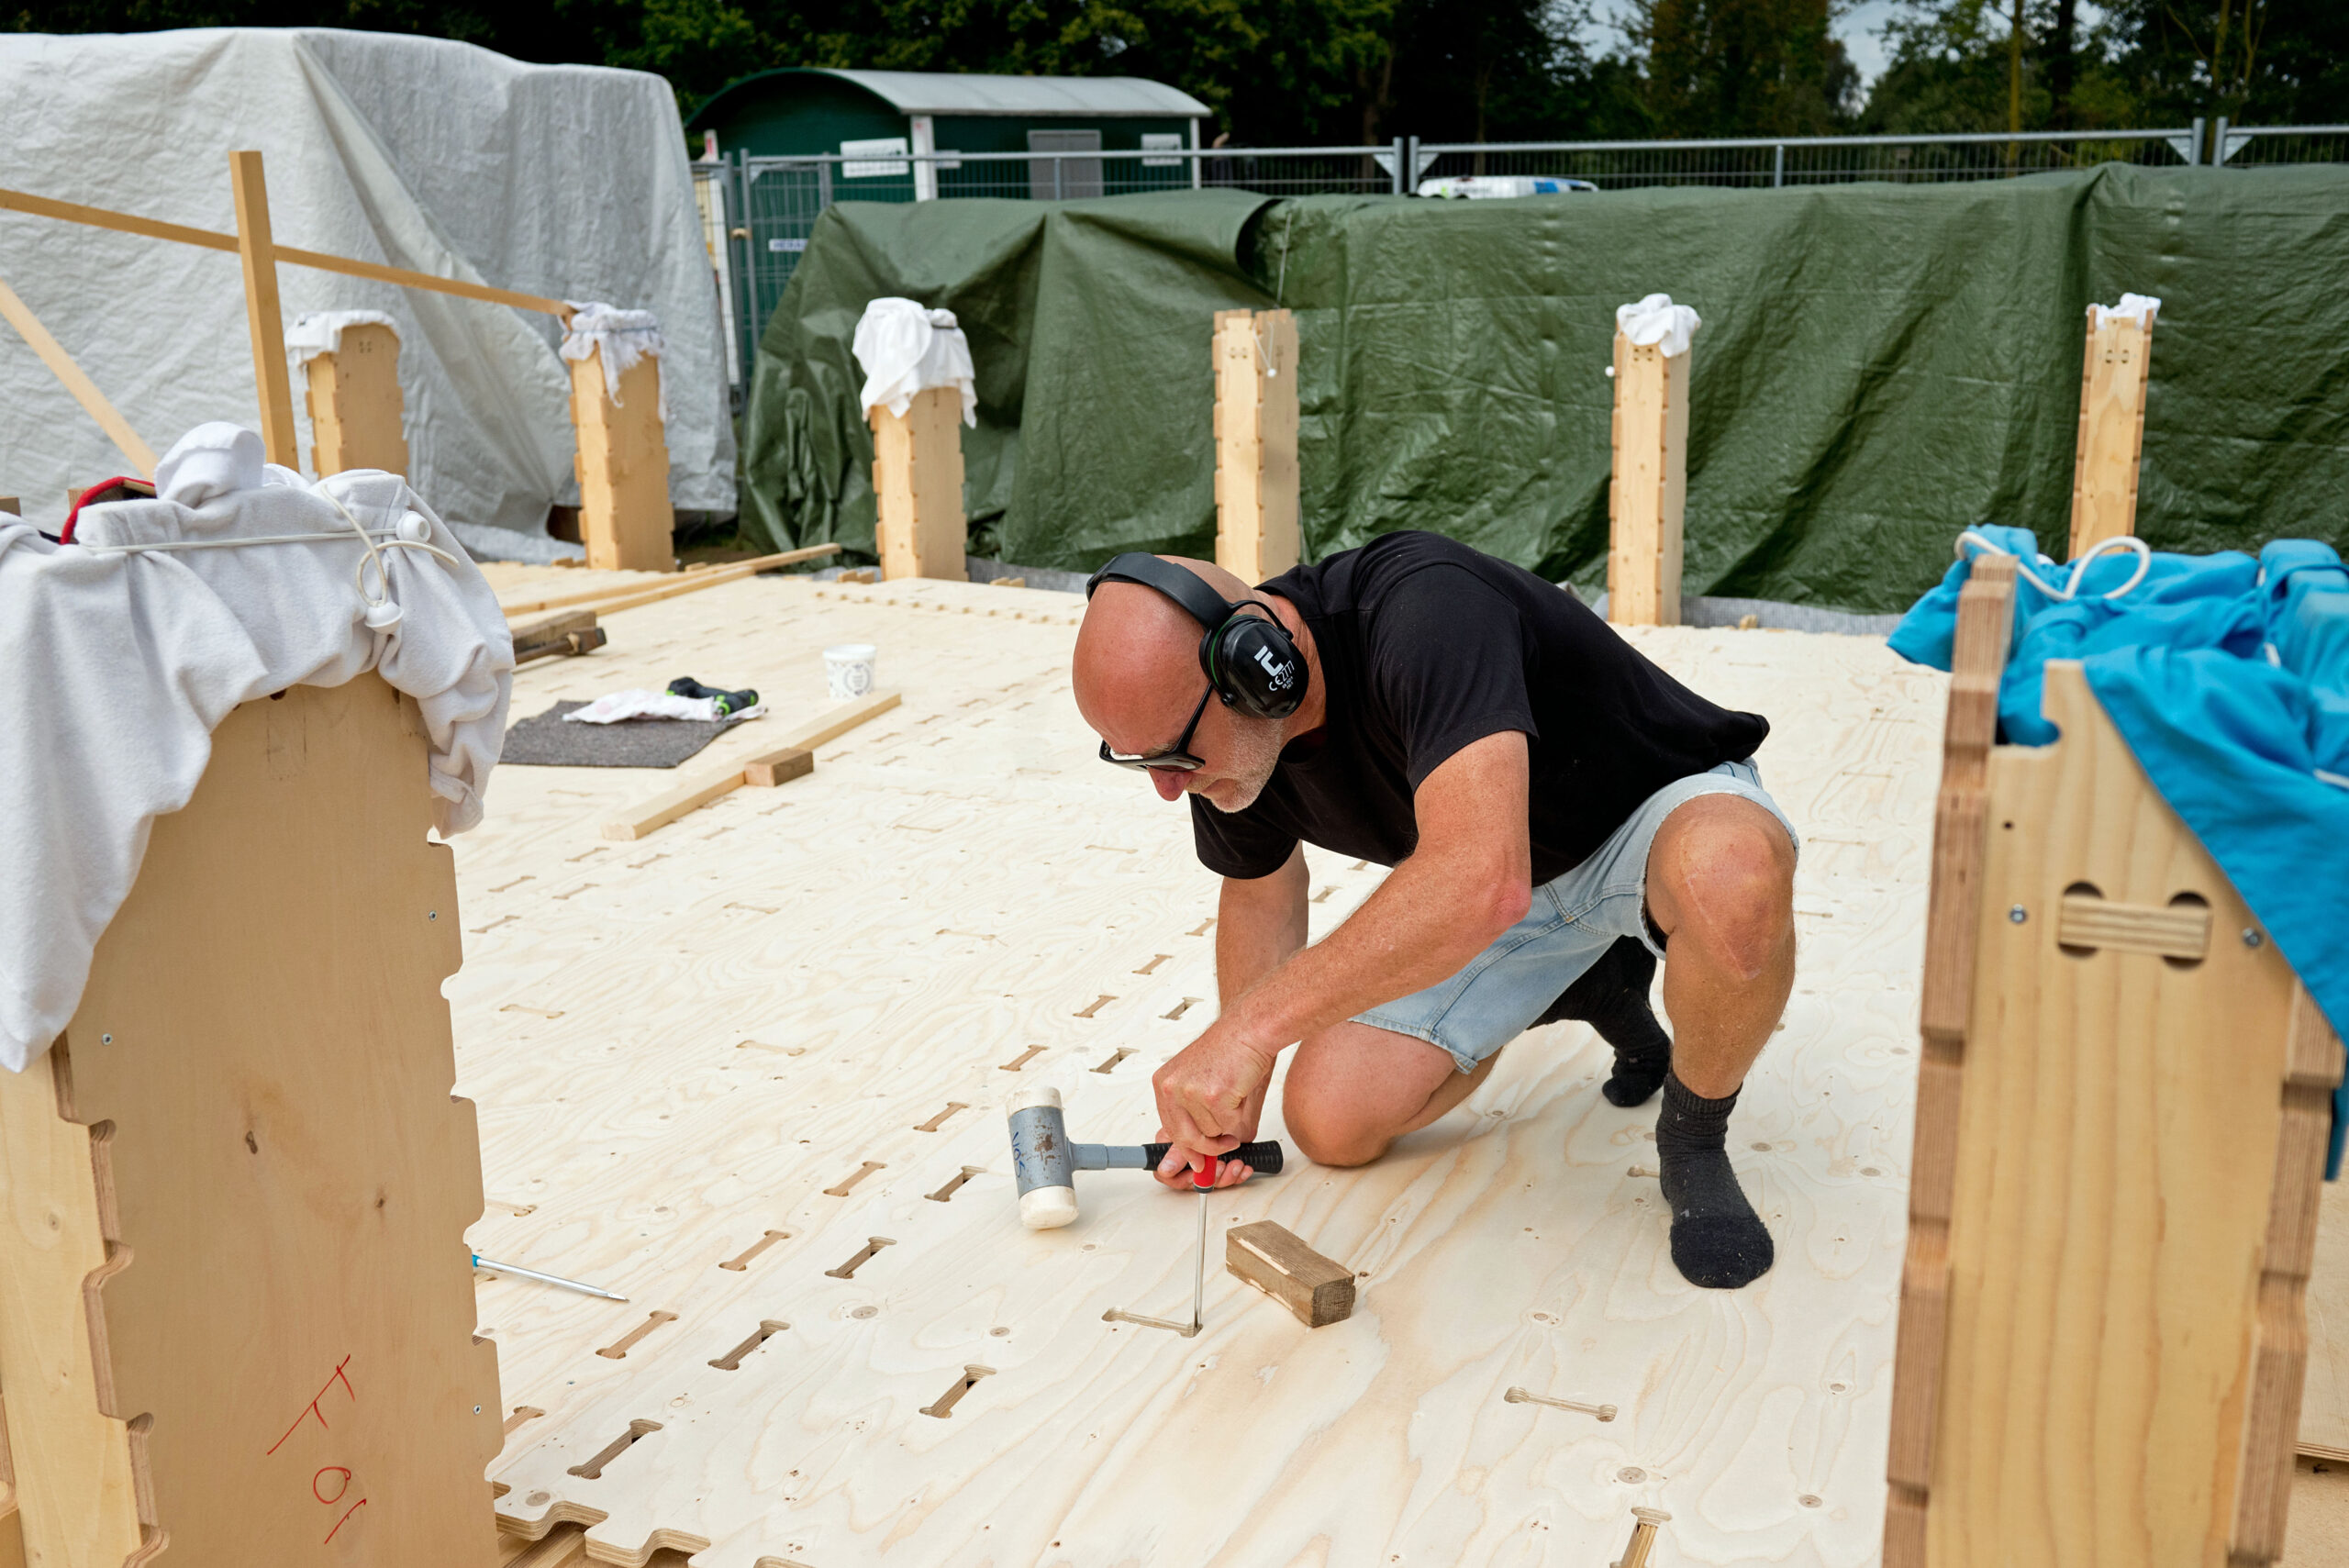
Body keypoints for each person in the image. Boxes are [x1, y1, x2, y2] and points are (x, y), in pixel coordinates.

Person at [1069, 531, 1798, 1289]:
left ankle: (1694, 1140)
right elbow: (1261, 889)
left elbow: (1481, 878)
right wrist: (1235, 1087)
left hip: (1650, 823)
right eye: (1142, 761)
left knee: (1733, 880)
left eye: (1173, 756)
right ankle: (1593, 981)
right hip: (1508, 878)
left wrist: (1251, 1028)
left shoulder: (1425, 607)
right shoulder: (1230, 753)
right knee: (1331, 1120)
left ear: (1260, 669)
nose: (1165, 785)